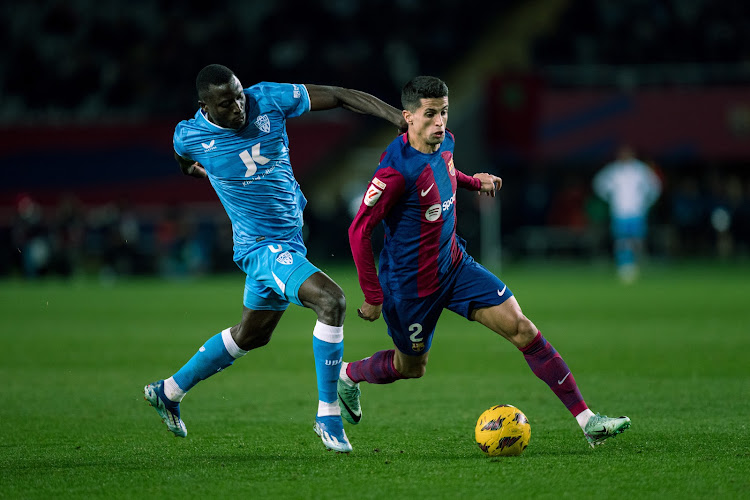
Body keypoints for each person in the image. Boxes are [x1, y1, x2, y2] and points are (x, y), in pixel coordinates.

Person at [338, 76, 630, 449]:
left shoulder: (447, 143)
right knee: (409, 368)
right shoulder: (394, 172)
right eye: (430, 114)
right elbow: (358, 230)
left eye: (444, 112)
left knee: (523, 329)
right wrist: (373, 295)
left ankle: (588, 421)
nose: (440, 122)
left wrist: (473, 183)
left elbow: (444, 174)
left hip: (455, 266)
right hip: (410, 288)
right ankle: (349, 374)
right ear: (408, 117)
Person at [143, 64, 406, 453]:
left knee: (252, 335)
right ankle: (327, 414)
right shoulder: (190, 135)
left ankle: (168, 391)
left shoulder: (267, 98)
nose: (238, 106)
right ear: (205, 107)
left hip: (289, 240)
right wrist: (194, 171)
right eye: (226, 103)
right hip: (261, 247)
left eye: (238, 95)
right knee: (331, 301)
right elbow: (183, 156)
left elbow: (339, 94)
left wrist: (396, 118)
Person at [592, 146, 662, 283]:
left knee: (637, 239)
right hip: (620, 212)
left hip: (637, 211)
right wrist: (609, 198)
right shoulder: (614, 170)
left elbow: (655, 186)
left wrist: (646, 203)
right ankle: (624, 265)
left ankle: (637, 263)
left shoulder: (640, 170)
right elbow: (599, 183)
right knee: (622, 240)